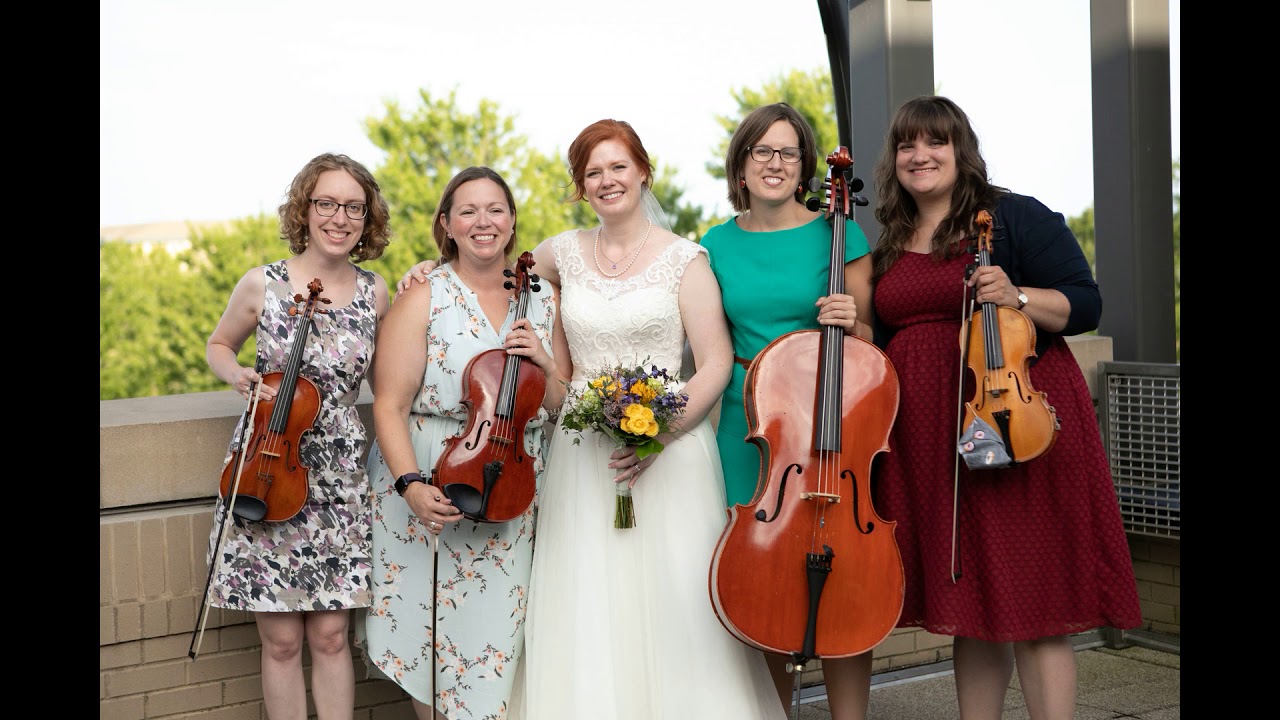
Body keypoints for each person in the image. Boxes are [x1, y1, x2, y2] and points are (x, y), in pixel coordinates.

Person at [399, 120, 784, 719]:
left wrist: (662, 433)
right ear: (581, 186)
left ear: (643, 172)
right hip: (582, 452)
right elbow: (491, 263)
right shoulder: (561, 254)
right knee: (588, 598)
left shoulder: (685, 259)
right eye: (593, 172)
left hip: (669, 452)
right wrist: (430, 266)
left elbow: (714, 362)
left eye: (618, 167)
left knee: (675, 599)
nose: (607, 181)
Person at [865, 95, 1142, 720]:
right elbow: (881, 339)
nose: (920, 155)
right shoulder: (891, 242)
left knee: (1038, 603)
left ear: (961, 150)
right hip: (935, 443)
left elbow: (1085, 304)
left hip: (1014, 423)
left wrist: (1016, 294)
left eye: (935, 141)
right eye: (907, 144)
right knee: (974, 605)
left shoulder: (1013, 217)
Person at [358, 166, 566, 720]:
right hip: (430, 476)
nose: (483, 222)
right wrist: (410, 486)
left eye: (495, 209)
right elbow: (389, 404)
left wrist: (545, 362)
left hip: (515, 484)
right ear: (446, 224)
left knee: (499, 637)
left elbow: (561, 402)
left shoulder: (544, 299)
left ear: (513, 220)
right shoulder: (424, 295)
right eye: (467, 211)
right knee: (428, 637)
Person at [699, 102, 881, 720]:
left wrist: (853, 323)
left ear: (804, 166)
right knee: (763, 580)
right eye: (762, 151)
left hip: (828, 427)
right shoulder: (714, 245)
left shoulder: (841, 233)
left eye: (788, 152)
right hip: (748, 428)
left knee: (844, 578)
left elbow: (870, 347)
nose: (774, 163)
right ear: (741, 164)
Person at [203, 152, 392, 719]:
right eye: (327, 203)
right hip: (268, 465)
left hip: (336, 476)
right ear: (305, 209)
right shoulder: (262, 283)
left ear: (367, 219)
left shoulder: (375, 292)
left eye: (354, 207)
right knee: (282, 641)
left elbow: (389, 386)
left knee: (331, 636)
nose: (340, 217)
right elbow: (219, 345)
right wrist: (236, 374)